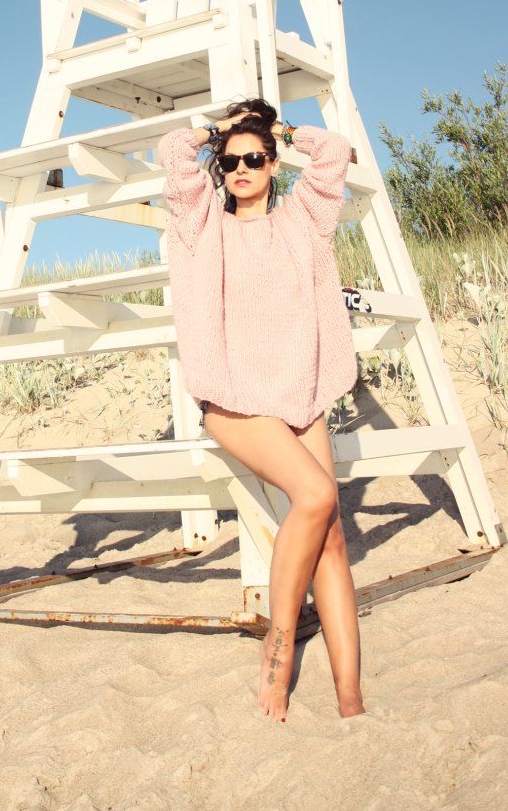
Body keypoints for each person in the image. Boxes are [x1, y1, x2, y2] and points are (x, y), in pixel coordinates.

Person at [157, 97, 364, 723]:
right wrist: (220, 130)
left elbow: (335, 153)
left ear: (274, 165)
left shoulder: (305, 219)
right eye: (231, 161)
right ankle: (279, 646)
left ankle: (350, 697)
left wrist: (281, 130)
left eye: (254, 159)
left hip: (299, 395)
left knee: (331, 539)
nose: (241, 168)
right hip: (236, 399)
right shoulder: (202, 225)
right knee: (315, 495)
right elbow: (172, 152)